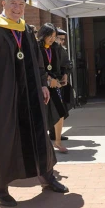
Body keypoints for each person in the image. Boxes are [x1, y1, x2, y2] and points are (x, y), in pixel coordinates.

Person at [0, 0, 68, 208]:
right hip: (3, 97)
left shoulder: (26, 30)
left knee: (39, 135)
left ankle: (47, 177)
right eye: (12, 4)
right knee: (3, 140)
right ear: (3, 5)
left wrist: (42, 84)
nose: (17, 8)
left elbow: (37, 60)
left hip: (30, 95)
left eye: (21, 5)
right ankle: (0, 190)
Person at [37, 23, 70, 153]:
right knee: (43, 114)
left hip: (55, 84)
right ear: (43, 35)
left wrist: (65, 74)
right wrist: (47, 79)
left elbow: (65, 63)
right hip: (41, 84)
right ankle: (43, 143)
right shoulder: (36, 48)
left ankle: (57, 141)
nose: (52, 39)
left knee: (60, 113)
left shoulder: (56, 48)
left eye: (54, 36)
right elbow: (35, 68)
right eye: (49, 36)